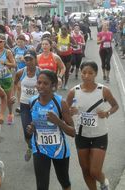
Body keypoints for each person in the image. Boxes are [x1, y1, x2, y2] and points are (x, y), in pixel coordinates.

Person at [66, 61, 119, 190]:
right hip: (81, 135)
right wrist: (70, 112)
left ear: (95, 74)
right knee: (85, 169)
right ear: (81, 73)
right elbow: (65, 110)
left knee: (94, 171)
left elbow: (115, 106)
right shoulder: (74, 91)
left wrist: (107, 113)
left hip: (99, 135)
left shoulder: (103, 90)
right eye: (84, 72)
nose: (86, 75)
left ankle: (103, 181)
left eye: (90, 73)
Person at [27, 70, 75, 190]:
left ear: (53, 85)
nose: (41, 86)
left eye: (45, 83)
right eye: (39, 82)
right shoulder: (32, 101)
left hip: (59, 149)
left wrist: (58, 121)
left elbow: (73, 132)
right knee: (42, 186)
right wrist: (31, 128)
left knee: (64, 181)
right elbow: (33, 124)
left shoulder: (60, 103)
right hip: (39, 148)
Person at [14, 50, 40, 161]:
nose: (28, 62)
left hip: (38, 105)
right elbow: (14, 83)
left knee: (38, 129)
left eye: (31, 59)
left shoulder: (41, 72)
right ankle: (30, 146)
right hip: (25, 105)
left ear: (35, 60)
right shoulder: (20, 72)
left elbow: (49, 86)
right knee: (26, 130)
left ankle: (39, 149)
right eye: (26, 59)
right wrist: (14, 95)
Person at [0, 34, 16, 125]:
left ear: (4, 42)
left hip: (6, 78)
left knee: (8, 99)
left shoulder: (8, 52)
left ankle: (10, 113)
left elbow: (14, 65)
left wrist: (5, 63)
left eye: (1, 41)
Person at [55, 24, 75, 89]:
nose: (63, 31)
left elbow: (76, 45)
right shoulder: (57, 37)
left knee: (66, 70)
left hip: (68, 55)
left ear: (68, 30)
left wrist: (71, 44)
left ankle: (65, 84)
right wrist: (56, 49)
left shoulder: (70, 37)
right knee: (61, 70)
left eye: (65, 29)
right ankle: (61, 82)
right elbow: (53, 44)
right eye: (62, 29)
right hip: (60, 56)